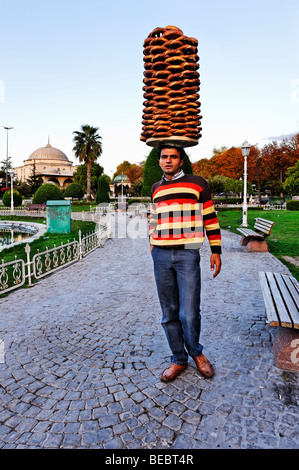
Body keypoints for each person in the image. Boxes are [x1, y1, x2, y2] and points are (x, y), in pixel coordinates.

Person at [149, 143, 222, 382]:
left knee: (189, 312)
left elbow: (210, 217)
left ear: (181, 161)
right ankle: (178, 359)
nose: (168, 160)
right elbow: (154, 216)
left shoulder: (197, 183)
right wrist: (152, 241)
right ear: (159, 160)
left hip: (187, 253)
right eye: (164, 157)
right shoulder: (156, 188)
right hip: (160, 255)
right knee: (168, 312)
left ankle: (197, 354)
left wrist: (216, 250)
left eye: (173, 157)